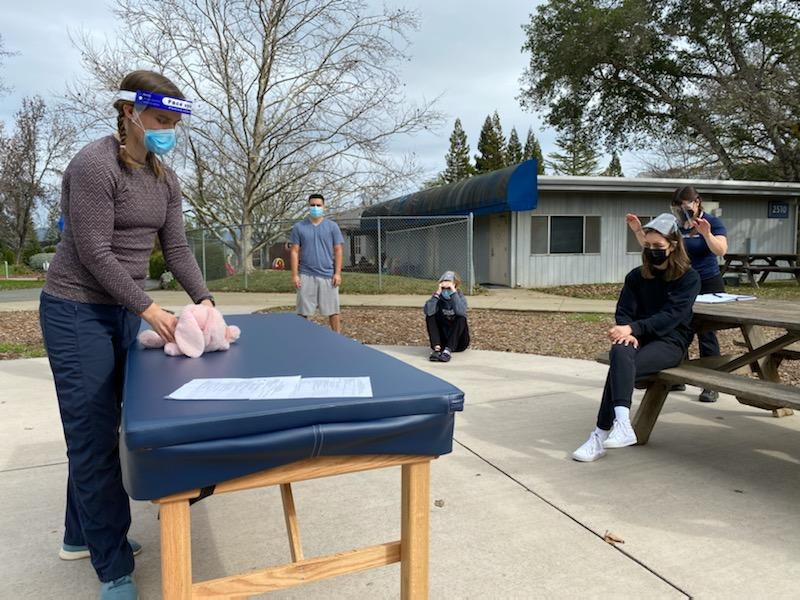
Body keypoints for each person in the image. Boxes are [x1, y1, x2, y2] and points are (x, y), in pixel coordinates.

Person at [39, 71, 215, 599]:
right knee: (92, 437)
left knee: (113, 428)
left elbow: (177, 249)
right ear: (130, 113)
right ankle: (112, 566)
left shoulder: (165, 177)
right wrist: (148, 307)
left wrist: (204, 299)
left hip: (122, 309)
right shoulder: (94, 166)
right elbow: (93, 252)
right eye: (161, 120)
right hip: (76, 310)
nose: (168, 131)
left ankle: (81, 533)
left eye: (175, 123)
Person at [573, 214, 700, 462]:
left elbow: (672, 316)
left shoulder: (689, 278)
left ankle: (599, 435)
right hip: (636, 338)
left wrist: (633, 329)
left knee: (619, 368)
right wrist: (625, 330)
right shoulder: (636, 276)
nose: (652, 251)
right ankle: (621, 424)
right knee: (620, 352)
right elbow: (624, 311)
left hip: (670, 342)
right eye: (648, 246)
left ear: (672, 246)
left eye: (658, 247)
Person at [626, 185, 728, 402]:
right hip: (678, 279)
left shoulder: (711, 222)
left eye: (685, 205)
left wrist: (706, 234)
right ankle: (676, 376)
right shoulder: (674, 225)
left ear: (697, 202)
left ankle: (710, 383)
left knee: (707, 330)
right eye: (677, 206)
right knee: (677, 324)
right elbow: (653, 245)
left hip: (707, 281)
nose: (682, 210)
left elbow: (720, 251)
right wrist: (637, 230)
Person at [289, 193, 345, 333]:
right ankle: (302, 341)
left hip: (328, 275)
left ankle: (337, 340)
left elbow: (338, 250)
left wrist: (337, 273)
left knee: (333, 312)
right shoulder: (299, 227)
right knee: (302, 312)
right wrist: (295, 275)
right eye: (312, 205)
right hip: (306, 275)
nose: (315, 207)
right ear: (308, 206)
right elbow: (294, 251)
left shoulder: (332, 227)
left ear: (324, 207)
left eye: (318, 205)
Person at [424, 271, 470, 362]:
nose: (446, 290)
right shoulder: (437, 297)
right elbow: (428, 312)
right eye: (444, 287)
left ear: (455, 286)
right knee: (430, 316)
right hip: (442, 342)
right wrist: (437, 293)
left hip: (459, 343)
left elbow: (461, 312)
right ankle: (437, 349)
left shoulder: (459, 296)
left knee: (461, 318)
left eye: (448, 287)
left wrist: (453, 292)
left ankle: (448, 351)